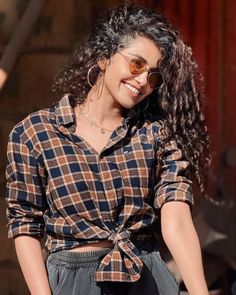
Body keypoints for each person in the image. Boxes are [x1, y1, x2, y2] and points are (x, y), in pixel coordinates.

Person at [5, 4, 211, 295]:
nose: (142, 81)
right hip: (73, 283)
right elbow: (25, 226)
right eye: (136, 64)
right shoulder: (35, 133)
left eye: (153, 76)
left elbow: (176, 220)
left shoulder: (156, 134)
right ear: (104, 58)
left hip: (146, 278)